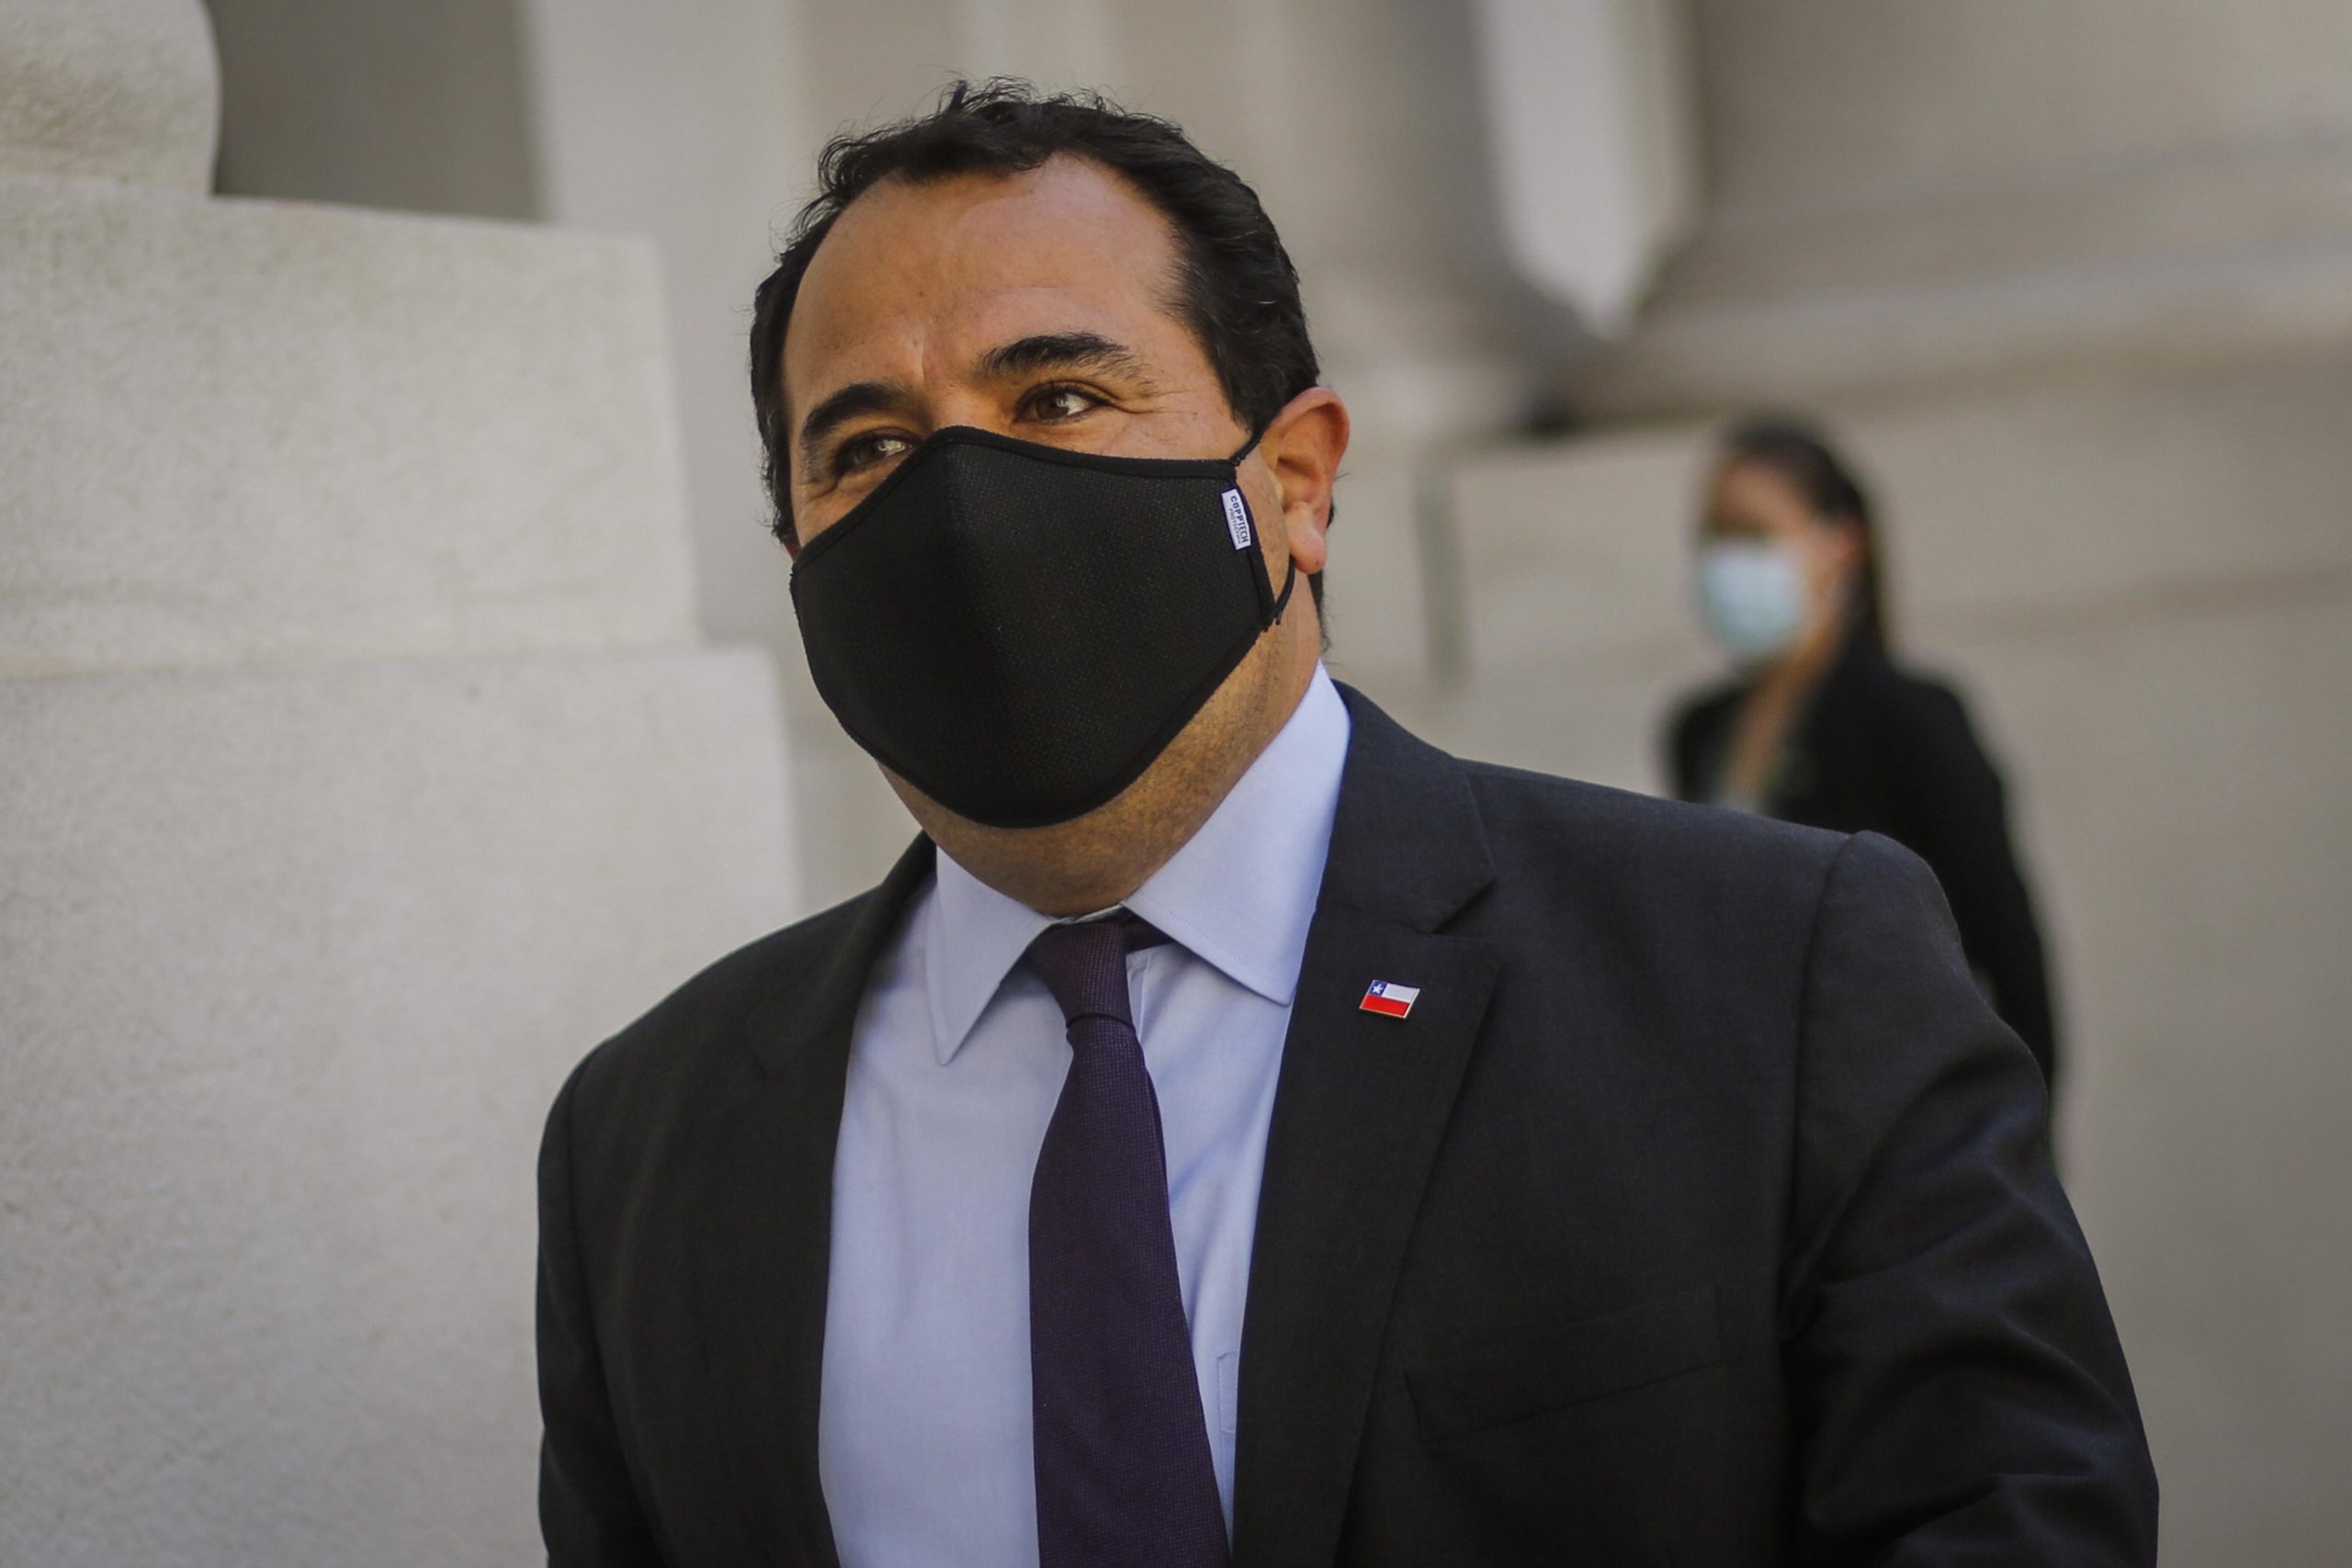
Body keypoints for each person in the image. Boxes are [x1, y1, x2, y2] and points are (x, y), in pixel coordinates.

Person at [536, 83, 2155, 1566]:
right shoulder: (649, 1149)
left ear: (1299, 481)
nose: (960, 504)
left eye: (1061, 395)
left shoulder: (1767, 978)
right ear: (800, 557)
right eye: (869, 447)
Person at [1668, 418, 2061, 1089]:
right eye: (1713, 536)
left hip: (1885, 1092)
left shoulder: (1908, 718)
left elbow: (2008, 945)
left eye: (1754, 535)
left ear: (1841, 546)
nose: (1727, 562)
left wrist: (2023, 1125)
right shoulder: (1698, 731)